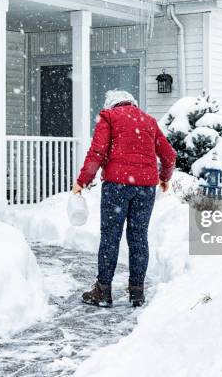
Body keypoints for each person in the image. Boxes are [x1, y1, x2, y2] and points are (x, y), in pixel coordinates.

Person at [72, 90, 176, 308]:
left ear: (111, 105)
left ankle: (103, 291)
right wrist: (165, 177)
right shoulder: (148, 121)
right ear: (133, 104)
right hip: (145, 188)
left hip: (117, 186)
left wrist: (83, 181)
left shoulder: (109, 117)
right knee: (138, 237)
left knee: (110, 236)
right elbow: (169, 155)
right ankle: (137, 291)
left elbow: (97, 152)